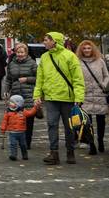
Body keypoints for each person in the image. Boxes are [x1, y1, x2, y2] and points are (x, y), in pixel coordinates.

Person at [33, 31, 85, 165]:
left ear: (54, 41)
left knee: (69, 127)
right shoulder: (44, 57)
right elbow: (40, 78)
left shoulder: (70, 56)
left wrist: (79, 97)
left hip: (68, 99)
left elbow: (77, 78)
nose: (44, 42)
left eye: (46, 40)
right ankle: (54, 152)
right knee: (51, 125)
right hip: (51, 98)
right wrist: (37, 95)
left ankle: (70, 151)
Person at [76, 40, 109, 155]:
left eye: (88, 48)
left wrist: (104, 84)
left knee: (101, 121)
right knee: (86, 122)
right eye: (84, 48)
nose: (86, 50)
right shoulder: (77, 62)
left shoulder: (100, 61)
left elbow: (106, 76)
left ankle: (100, 140)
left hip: (99, 94)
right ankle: (92, 144)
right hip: (85, 95)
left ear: (92, 49)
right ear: (81, 50)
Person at [4, 42, 38, 147]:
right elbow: (8, 79)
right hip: (15, 95)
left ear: (26, 53)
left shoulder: (32, 63)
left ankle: (27, 142)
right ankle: (18, 141)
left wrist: (27, 79)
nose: (20, 54)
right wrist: (6, 90)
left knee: (28, 119)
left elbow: (39, 78)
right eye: (18, 52)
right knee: (16, 118)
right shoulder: (12, 64)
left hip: (28, 94)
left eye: (22, 52)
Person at [1, 95, 36, 161]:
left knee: (23, 145)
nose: (10, 104)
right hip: (12, 132)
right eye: (10, 102)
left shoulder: (23, 111)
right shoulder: (8, 112)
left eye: (12, 102)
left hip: (22, 132)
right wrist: (3, 128)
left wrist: (35, 107)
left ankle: (24, 154)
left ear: (18, 104)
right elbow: (4, 121)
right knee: (13, 144)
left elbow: (30, 113)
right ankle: (13, 155)